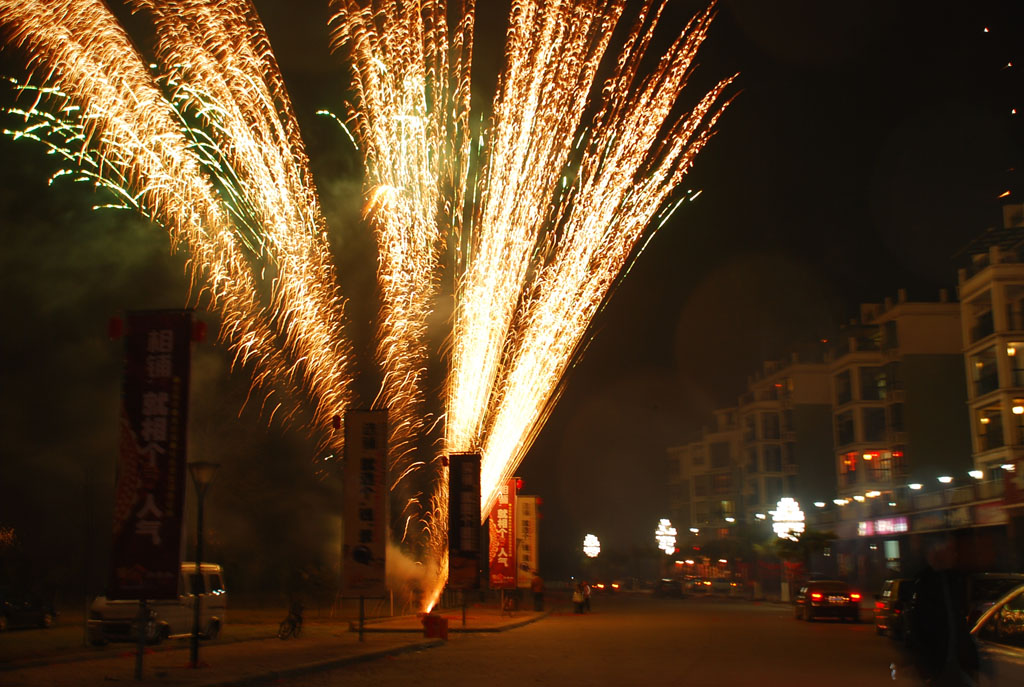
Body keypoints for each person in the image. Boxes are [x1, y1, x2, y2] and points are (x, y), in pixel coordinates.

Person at [905, 536, 979, 686]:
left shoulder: (955, 580)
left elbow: (959, 622)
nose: (954, 555)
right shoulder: (925, 583)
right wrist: (927, 670)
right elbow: (919, 626)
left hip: (955, 663)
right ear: (937, 554)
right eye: (949, 550)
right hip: (939, 665)